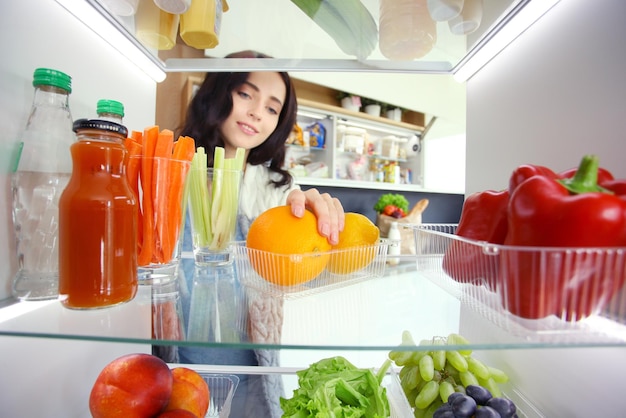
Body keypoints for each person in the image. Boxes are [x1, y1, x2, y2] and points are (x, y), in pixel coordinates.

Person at [173, 58, 345, 417]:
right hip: (175, 371)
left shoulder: (276, 190)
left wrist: (315, 216)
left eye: (271, 108)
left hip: (251, 370)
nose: (256, 113)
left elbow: (309, 261)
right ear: (217, 94)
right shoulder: (171, 170)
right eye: (244, 94)